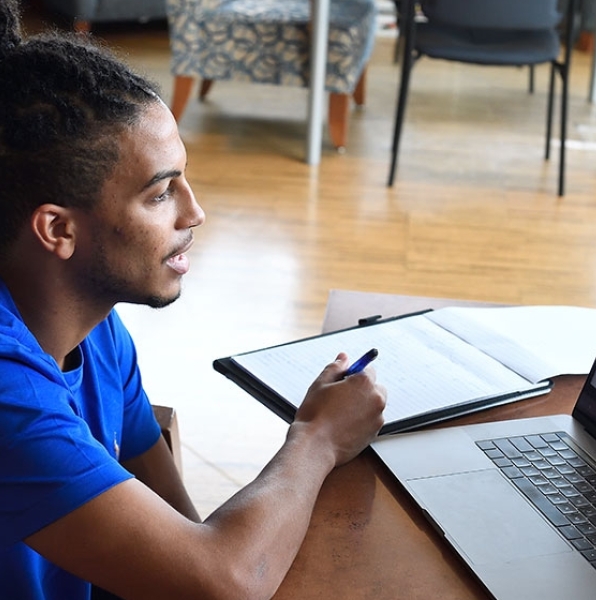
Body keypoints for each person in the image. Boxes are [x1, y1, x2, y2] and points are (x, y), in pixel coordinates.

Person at [0, 1, 387, 598]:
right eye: (160, 194)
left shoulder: (94, 329)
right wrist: (317, 440)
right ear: (58, 230)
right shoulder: (10, 393)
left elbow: (187, 532)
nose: (195, 212)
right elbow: (219, 582)